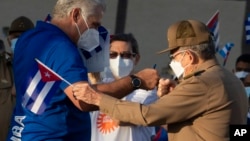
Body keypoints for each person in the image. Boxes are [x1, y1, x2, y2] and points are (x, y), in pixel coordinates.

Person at [73, 19, 249, 141]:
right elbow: (239, 132)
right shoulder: (231, 79)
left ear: (188, 56)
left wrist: (97, 98)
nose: (173, 62)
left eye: (174, 56)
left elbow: (147, 115)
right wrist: (168, 99)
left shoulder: (201, 83)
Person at [7, 0, 159, 141]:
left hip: (21, 132)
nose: (97, 31)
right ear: (76, 15)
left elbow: (17, 89)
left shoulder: (28, 37)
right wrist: (136, 81)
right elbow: (84, 99)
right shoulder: (62, 47)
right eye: (94, 24)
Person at [90, 33, 158, 141]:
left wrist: (95, 95)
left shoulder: (146, 90)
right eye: (112, 54)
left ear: (136, 58)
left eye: (125, 55)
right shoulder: (103, 83)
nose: (118, 60)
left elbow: (122, 118)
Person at [0, 16, 34, 141]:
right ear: (8, 39)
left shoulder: (40, 69)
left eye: (23, 36)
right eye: (15, 37)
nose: (19, 40)